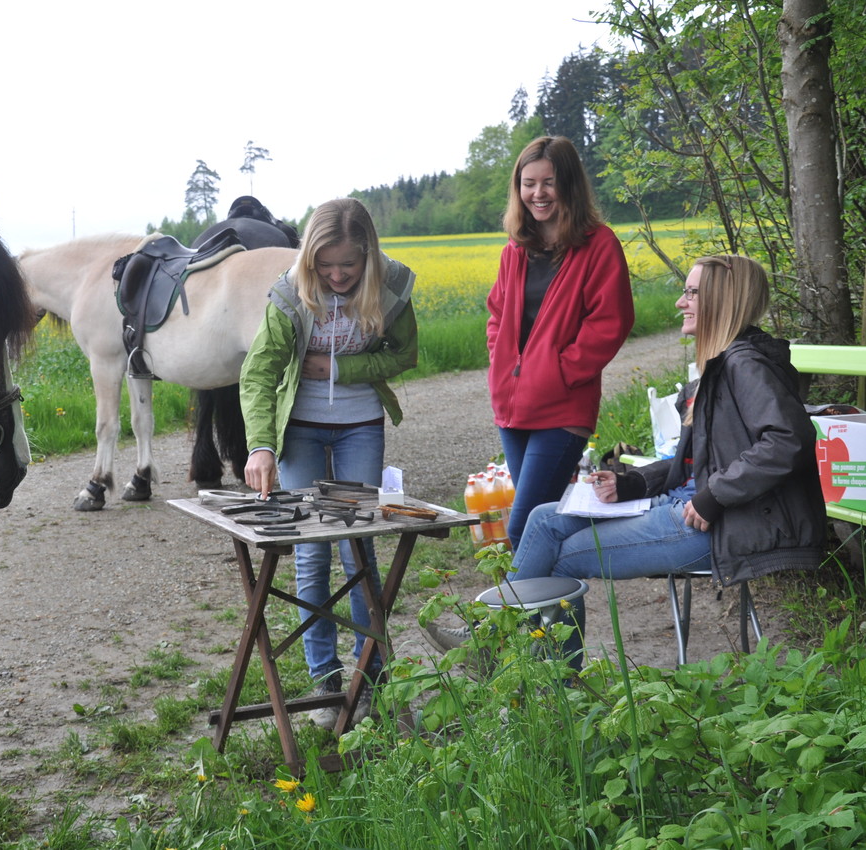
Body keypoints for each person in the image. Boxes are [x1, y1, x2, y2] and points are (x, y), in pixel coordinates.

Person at [427, 255, 826, 664]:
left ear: (722, 300)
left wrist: (714, 497)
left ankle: (538, 670)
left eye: (691, 292)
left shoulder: (745, 364)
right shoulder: (722, 363)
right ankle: (503, 650)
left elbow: (787, 440)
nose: (680, 302)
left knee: (555, 559)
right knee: (545, 519)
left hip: (715, 524)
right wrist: (633, 483)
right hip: (688, 506)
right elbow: (695, 459)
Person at [240, 197, 417, 729]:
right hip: (300, 432)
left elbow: (403, 354)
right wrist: (260, 446)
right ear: (309, 259)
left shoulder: (390, 287)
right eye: (326, 264)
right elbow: (258, 375)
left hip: (361, 426)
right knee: (311, 552)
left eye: (349, 264)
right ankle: (326, 682)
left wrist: (341, 365)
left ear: (369, 256)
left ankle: (373, 679)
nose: (337, 275)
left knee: (355, 546)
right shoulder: (289, 295)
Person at [484, 136, 634, 553]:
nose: (537, 194)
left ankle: (524, 617)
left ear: (568, 184)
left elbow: (611, 322)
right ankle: (558, 620)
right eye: (528, 183)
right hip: (513, 410)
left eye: (548, 182)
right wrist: (500, 360)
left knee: (524, 529)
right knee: (546, 527)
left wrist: (558, 371)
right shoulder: (515, 249)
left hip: (563, 408)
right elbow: (496, 315)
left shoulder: (598, 245)